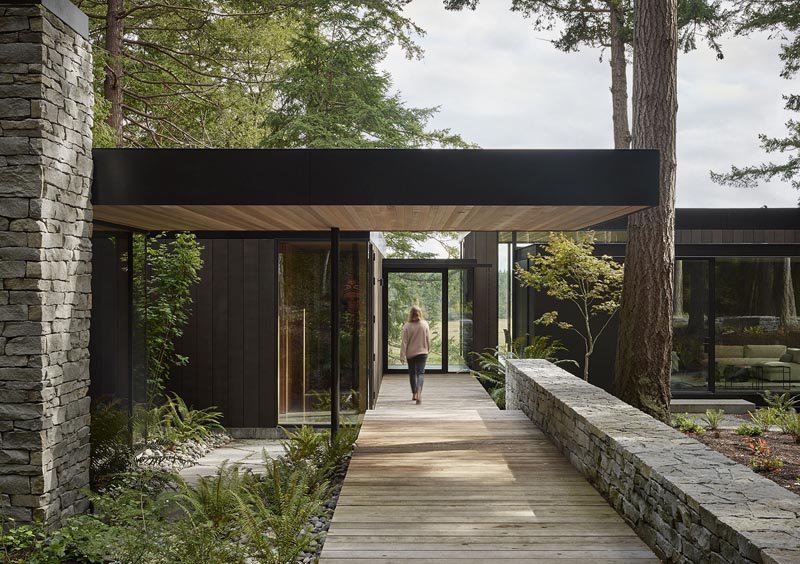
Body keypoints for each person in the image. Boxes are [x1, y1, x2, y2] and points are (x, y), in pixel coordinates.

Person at [399, 305, 431, 404]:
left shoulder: (407, 326)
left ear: (410, 314)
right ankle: (419, 393)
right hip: (422, 352)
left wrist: (402, 355)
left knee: (412, 373)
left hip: (411, 354)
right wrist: (428, 349)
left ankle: (414, 394)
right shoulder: (424, 324)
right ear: (420, 313)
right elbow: (428, 338)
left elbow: (404, 342)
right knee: (420, 373)